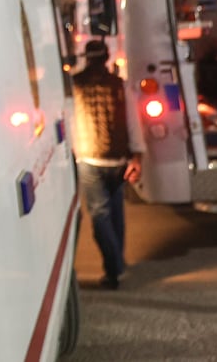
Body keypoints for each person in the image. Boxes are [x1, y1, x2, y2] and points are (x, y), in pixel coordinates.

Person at [70, 40, 142, 289]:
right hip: (119, 158)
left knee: (100, 216)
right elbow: (133, 123)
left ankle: (114, 267)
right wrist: (137, 157)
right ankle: (116, 266)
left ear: (87, 58)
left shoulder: (74, 86)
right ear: (106, 58)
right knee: (115, 213)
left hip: (90, 159)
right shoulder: (119, 85)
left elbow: (69, 124)